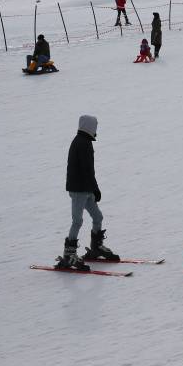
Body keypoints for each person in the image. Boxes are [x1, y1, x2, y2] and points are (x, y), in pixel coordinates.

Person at [57, 114, 118, 269]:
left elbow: (88, 171)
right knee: (77, 221)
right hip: (79, 190)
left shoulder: (84, 142)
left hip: (85, 188)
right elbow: (87, 170)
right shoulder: (81, 143)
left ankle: (96, 248)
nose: (96, 130)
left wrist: (93, 188)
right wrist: (95, 188)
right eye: (95, 127)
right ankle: (68, 255)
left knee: (98, 216)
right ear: (90, 127)